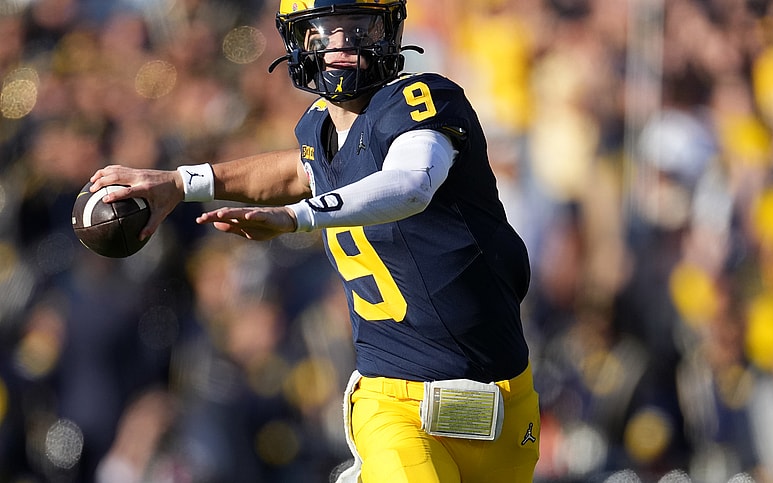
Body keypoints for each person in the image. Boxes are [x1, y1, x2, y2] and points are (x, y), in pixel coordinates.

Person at [88, 0, 540, 481]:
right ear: (298, 41)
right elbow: (296, 171)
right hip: (395, 403)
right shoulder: (318, 130)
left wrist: (298, 217)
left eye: (358, 27)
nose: (341, 43)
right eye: (324, 30)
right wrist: (181, 183)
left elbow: (411, 183)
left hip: (505, 404)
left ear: (388, 29)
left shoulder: (421, 100)